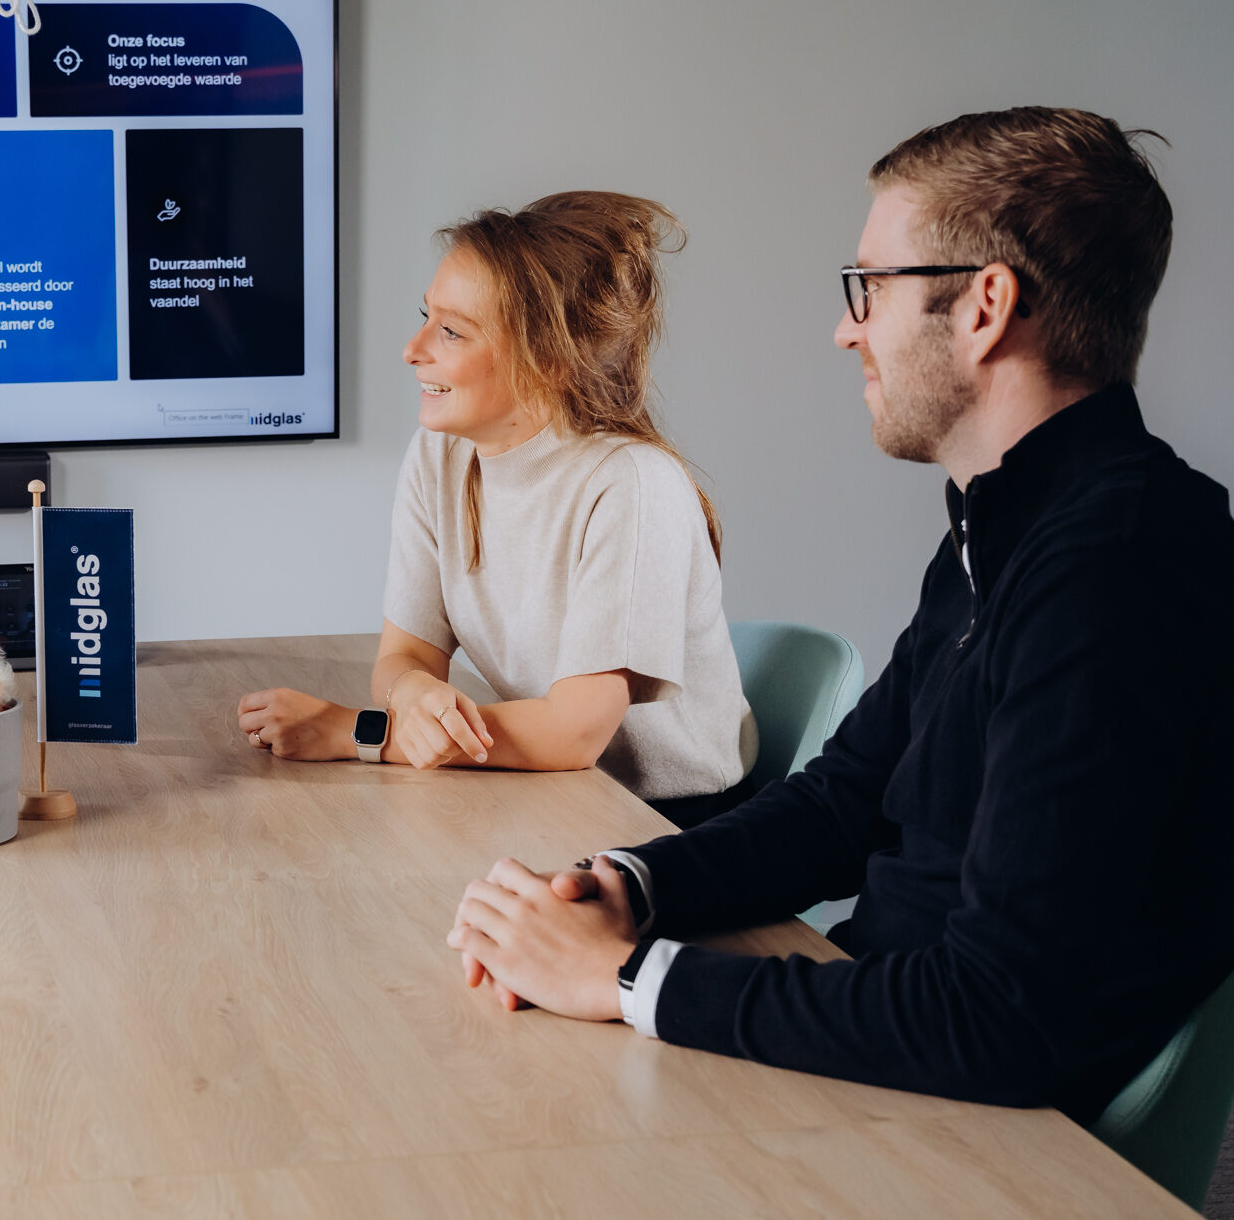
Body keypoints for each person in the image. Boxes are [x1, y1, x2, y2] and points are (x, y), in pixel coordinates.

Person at [446, 108, 1234, 1122]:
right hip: (885, 1060)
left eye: (869, 286)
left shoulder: (1114, 567)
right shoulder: (1004, 528)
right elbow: (843, 804)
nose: (845, 326)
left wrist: (625, 980)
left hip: (975, 1134)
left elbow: (998, 1016)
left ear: (984, 306)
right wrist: (627, 888)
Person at [238, 191, 757, 824]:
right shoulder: (439, 456)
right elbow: (404, 656)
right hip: (549, 788)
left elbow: (572, 734)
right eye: (425, 316)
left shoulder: (631, 485)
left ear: (547, 359)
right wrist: (415, 692)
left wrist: (359, 732)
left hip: (669, 820)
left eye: (450, 330)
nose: (412, 348)